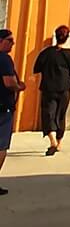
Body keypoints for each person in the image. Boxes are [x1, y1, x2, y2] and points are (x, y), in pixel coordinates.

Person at [32, 26, 70, 156]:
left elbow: (36, 68)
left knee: (49, 114)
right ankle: (59, 143)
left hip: (48, 88)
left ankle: (53, 141)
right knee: (61, 115)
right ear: (67, 37)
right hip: (64, 88)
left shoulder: (46, 52)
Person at [0, 28, 26, 195]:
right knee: (1, 146)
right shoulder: (4, 59)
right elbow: (9, 82)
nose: (12, 44)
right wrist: (19, 87)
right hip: (3, 108)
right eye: (9, 40)